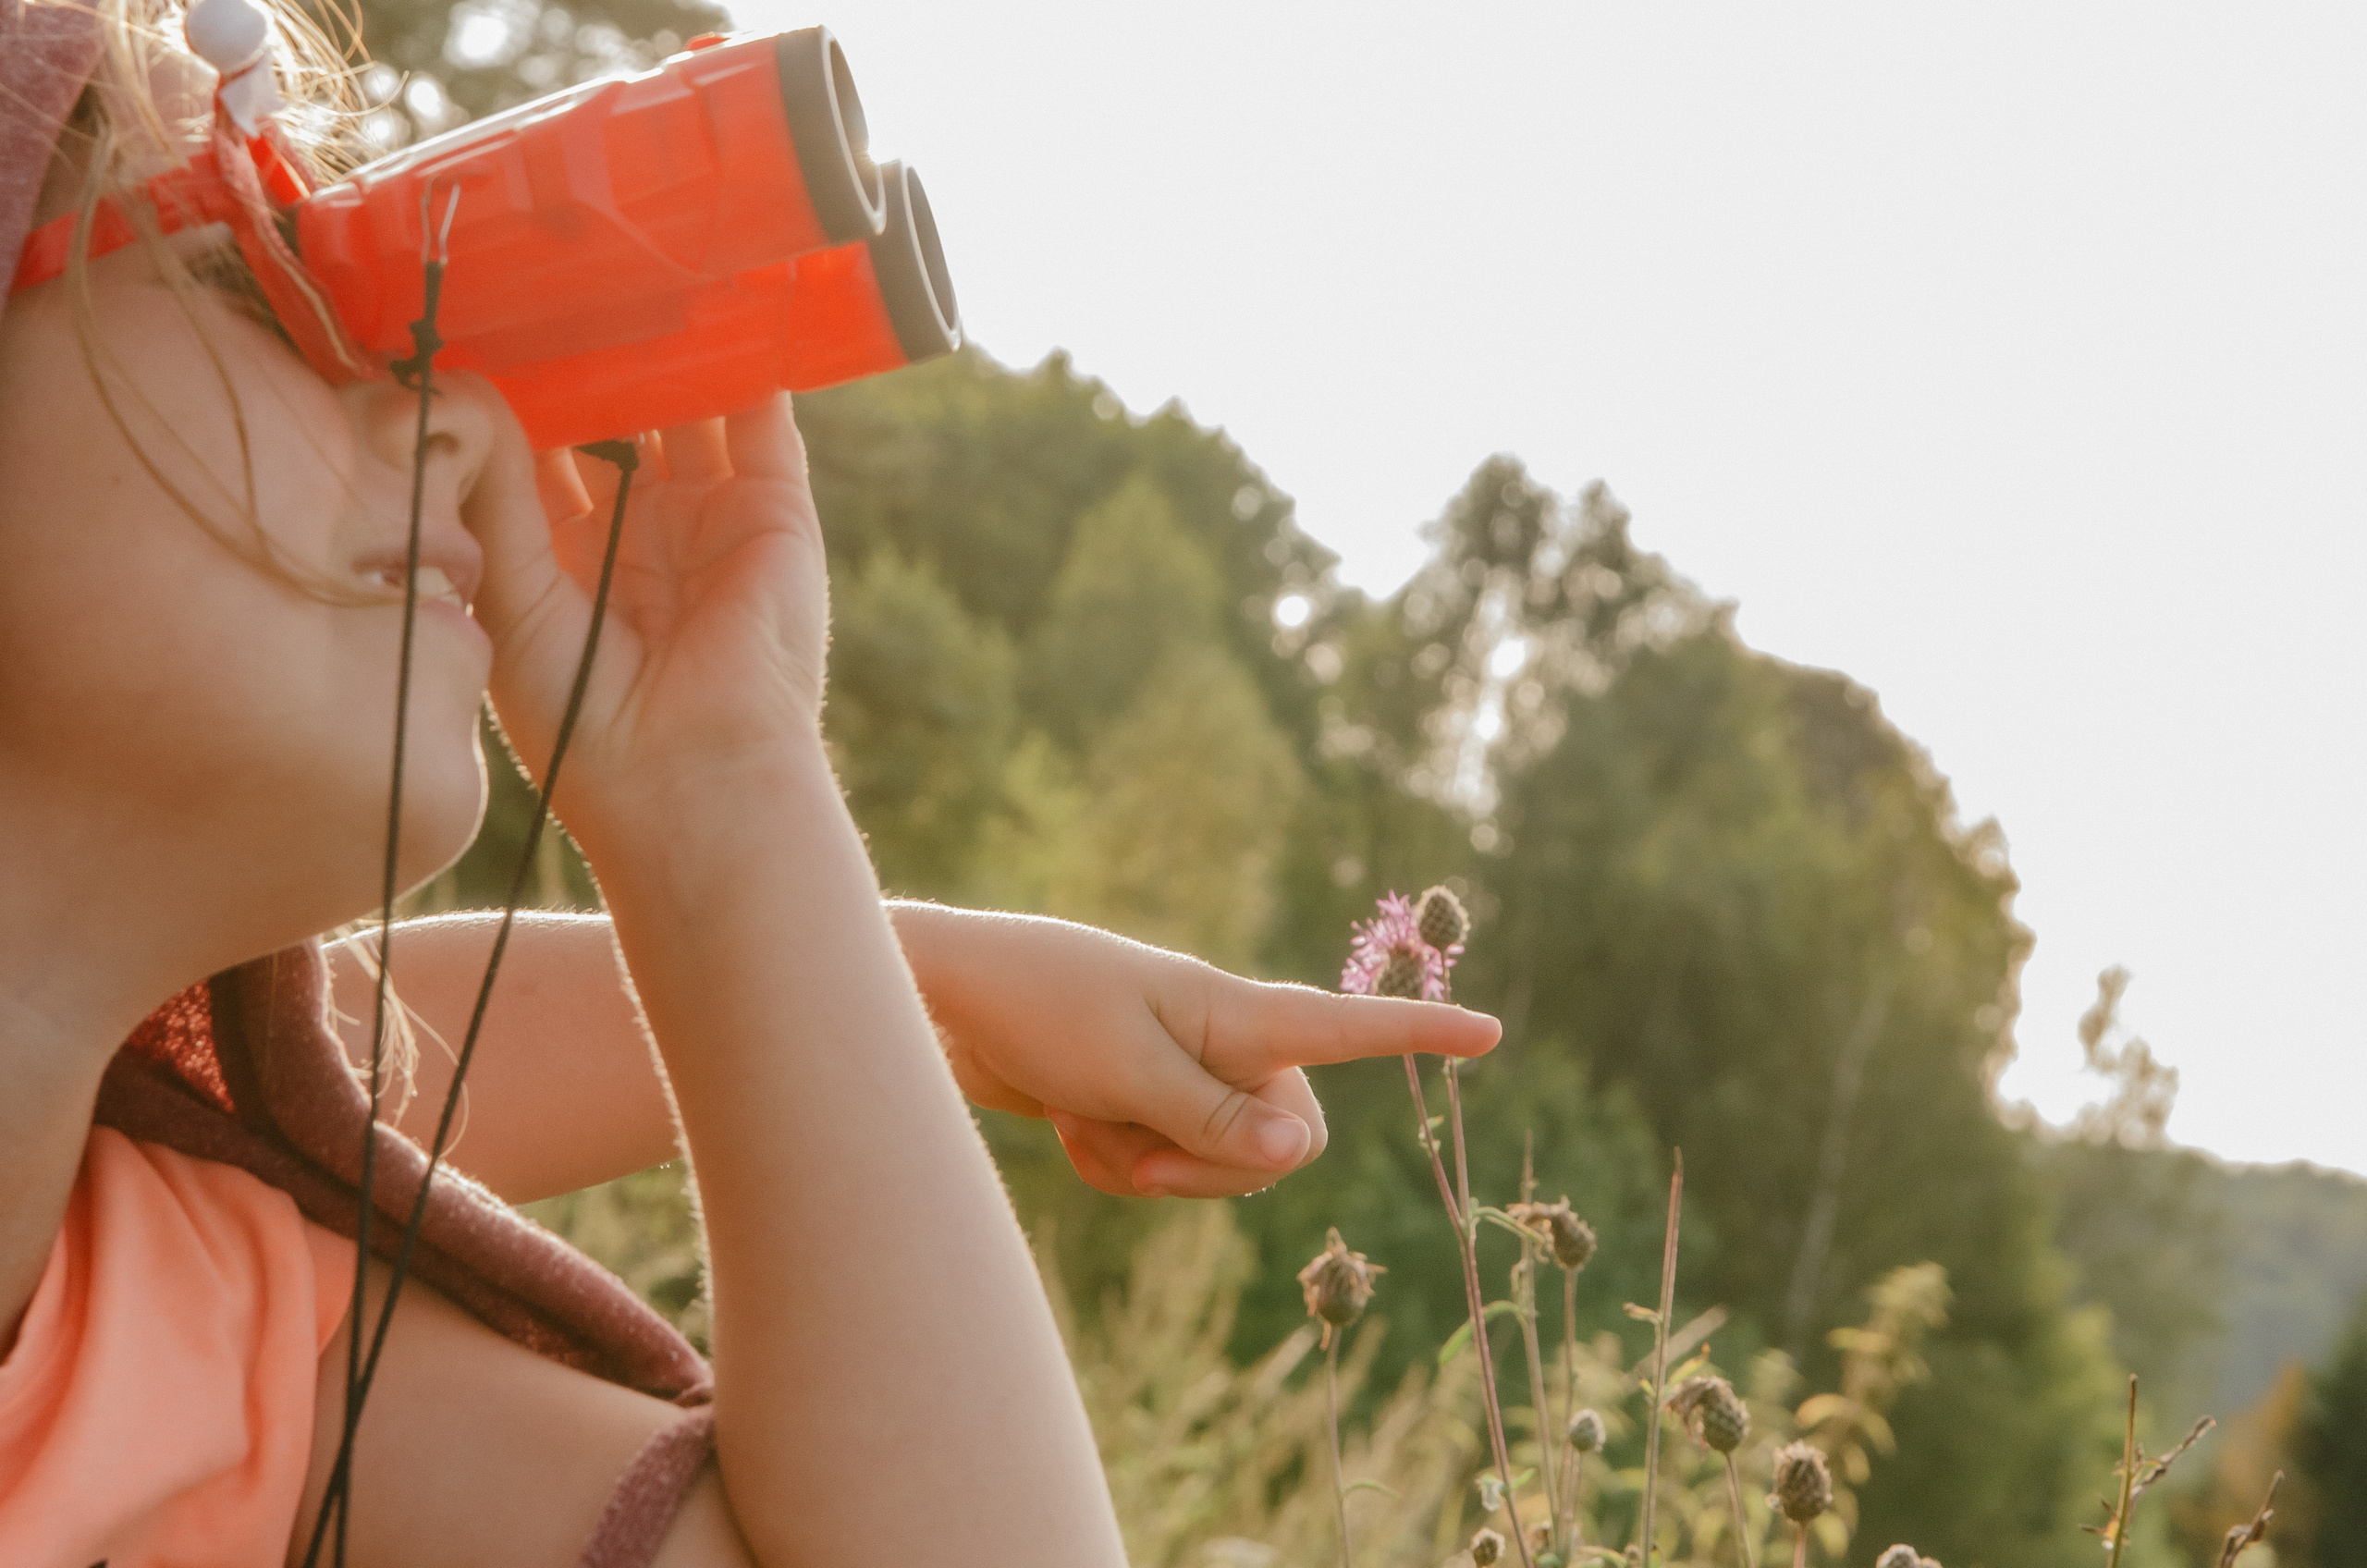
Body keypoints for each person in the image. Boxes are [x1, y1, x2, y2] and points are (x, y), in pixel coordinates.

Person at [0, 2, 1502, 1563]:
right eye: (255, 283)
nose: (457, 426)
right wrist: (950, 984)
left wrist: (728, 803)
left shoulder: (176, 1360)